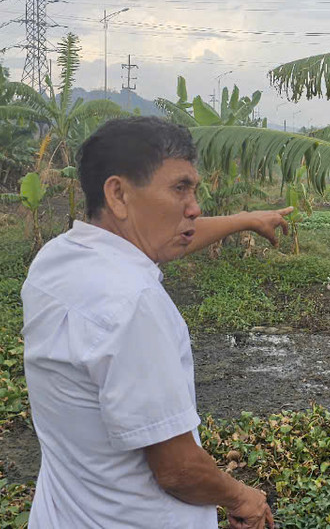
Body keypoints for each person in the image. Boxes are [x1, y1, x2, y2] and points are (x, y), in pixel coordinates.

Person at [22, 117, 284, 528]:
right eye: (180, 188)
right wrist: (241, 497)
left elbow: (173, 236)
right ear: (119, 193)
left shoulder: (57, 260)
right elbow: (177, 470)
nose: (195, 208)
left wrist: (248, 218)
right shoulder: (132, 303)